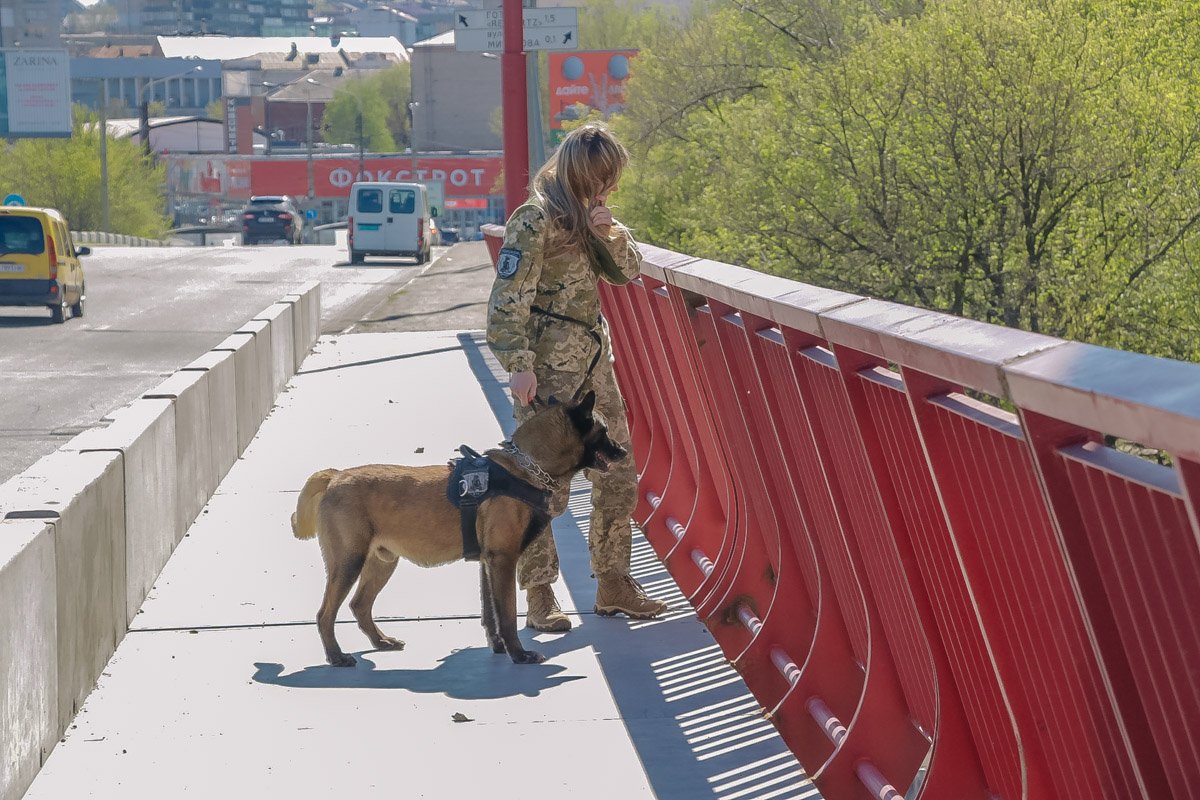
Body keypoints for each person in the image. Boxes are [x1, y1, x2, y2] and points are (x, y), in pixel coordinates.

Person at [486, 122, 668, 632]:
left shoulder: (591, 217)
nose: (609, 188)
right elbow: (507, 298)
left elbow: (628, 272)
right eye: (603, 178)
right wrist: (518, 364)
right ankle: (539, 592)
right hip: (546, 375)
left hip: (594, 369)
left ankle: (614, 583)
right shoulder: (535, 219)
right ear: (581, 173)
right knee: (542, 485)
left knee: (617, 474)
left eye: (612, 179)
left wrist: (611, 232)